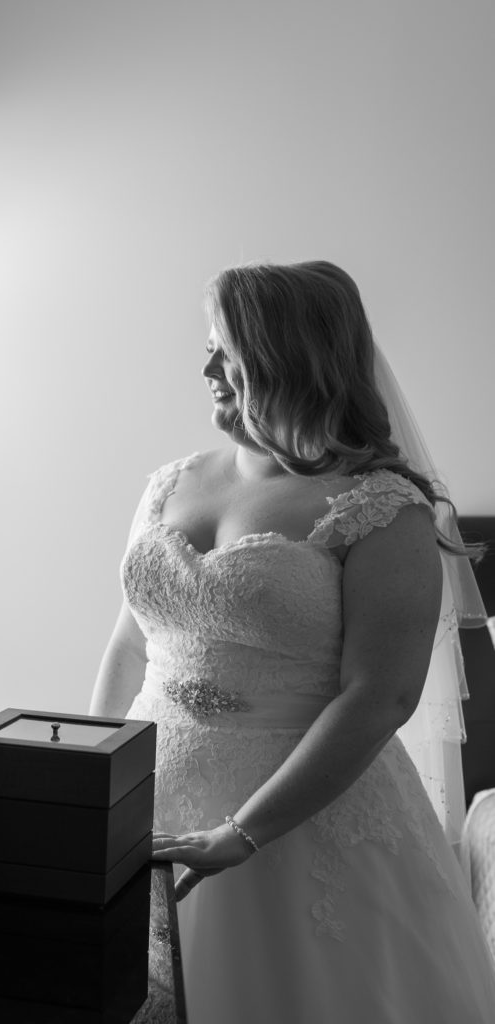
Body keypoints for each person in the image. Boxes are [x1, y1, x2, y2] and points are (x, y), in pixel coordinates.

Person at [89, 261, 495, 1023]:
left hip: (300, 826)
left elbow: (382, 696)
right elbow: (130, 646)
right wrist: (91, 783)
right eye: (209, 346)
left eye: (228, 350)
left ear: (291, 355)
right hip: (149, 802)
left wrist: (244, 834)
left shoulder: (382, 507)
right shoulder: (170, 483)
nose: (206, 366)